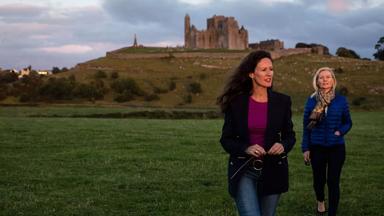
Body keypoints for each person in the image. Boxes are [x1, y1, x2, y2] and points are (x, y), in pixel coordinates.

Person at [217, 50, 296, 216]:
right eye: (263, 70)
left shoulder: (282, 101)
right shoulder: (236, 102)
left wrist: (282, 145)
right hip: (244, 169)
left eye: (271, 69)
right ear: (252, 74)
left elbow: (290, 136)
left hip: (273, 170)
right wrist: (246, 148)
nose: (269, 74)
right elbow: (226, 139)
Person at [301, 67, 352, 216]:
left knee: (333, 181)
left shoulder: (341, 100)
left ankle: (332, 213)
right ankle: (321, 202)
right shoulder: (311, 101)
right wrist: (306, 148)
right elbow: (306, 127)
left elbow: (348, 122)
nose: (325, 79)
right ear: (317, 81)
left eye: (328, 77)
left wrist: (340, 131)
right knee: (319, 181)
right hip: (317, 147)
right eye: (321, 77)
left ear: (333, 80)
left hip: (336, 147)